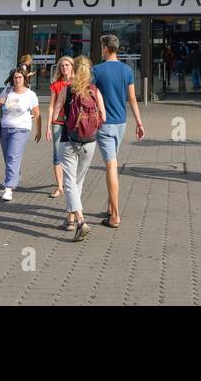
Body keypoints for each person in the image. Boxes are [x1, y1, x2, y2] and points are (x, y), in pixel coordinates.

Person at [92, 33, 146, 227]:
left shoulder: (96, 70)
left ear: (106, 47)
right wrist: (139, 123)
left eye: (101, 46)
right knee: (113, 163)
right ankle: (109, 206)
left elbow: (89, 93)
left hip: (104, 124)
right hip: (122, 123)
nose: (100, 49)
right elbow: (132, 99)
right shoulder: (127, 70)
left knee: (111, 166)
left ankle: (115, 215)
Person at [53, 57, 106, 242]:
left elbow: (56, 115)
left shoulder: (67, 89)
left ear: (74, 70)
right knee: (78, 181)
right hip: (89, 142)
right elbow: (104, 116)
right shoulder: (94, 90)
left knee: (69, 182)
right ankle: (70, 219)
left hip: (69, 140)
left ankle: (81, 221)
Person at [0, 67, 41, 201]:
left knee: (12, 156)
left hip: (21, 129)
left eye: (20, 77)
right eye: (15, 77)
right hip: (5, 128)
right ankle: (15, 176)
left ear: (25, 79)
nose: (17, 80)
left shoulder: (30, 94)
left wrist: (39, 131)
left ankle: (8, 187)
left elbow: (37, 115)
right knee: (9, 157)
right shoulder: (7, 91)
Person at [45, 56, 75, 198]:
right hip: (58, 122)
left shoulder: (78, 83)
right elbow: (51, 106)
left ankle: (72, 182)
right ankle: (60, 187)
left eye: (67, 65)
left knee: (74, 152)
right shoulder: (56, 85)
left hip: (73, 122)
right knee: (57, 153)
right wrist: (48, 126)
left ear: (72, 66)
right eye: (62, 66)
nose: (65, 68)